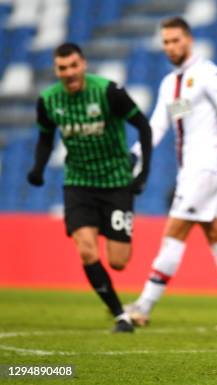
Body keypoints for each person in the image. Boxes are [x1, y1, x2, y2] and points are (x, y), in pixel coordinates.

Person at [126, 17, 217, 331]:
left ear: (189, 40)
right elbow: (157, 124)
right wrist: (135, 153)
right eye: (166, 42)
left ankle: (143, 306)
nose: (171, 47)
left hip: (204, 167)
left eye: (176, 40)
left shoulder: (207, 74)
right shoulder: (171, 84)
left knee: (173, 234)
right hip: (196, 170)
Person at [26, 43, 153, 333]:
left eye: (73, 66)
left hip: (116, 181)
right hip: (78, 184)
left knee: (119, 261)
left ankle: (128, 161)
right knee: (86, 251)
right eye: (62, 68)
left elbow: (143, 126)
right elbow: (45, 138)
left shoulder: (109, 92)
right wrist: (38, 168)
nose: (69, 73)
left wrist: (143, 172)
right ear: (56, 70)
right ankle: (120, 314)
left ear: (83, 64)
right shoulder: (48, 100)